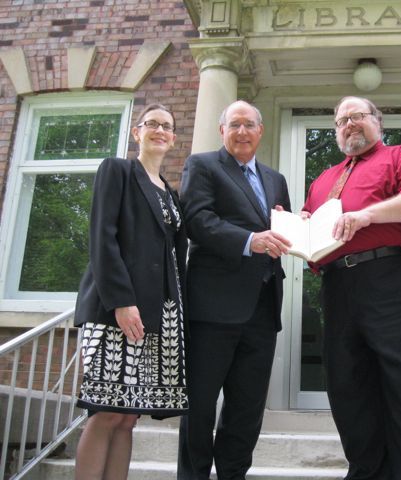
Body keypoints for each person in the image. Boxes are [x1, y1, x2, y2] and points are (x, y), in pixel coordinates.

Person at [301, 96, 401, 480]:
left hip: (389, 277)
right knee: (347, 383)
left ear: (377, 122)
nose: (350, 124)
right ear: (336, 132)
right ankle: (366, 470)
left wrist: (365, 216)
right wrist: (295, 226)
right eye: (342, 120)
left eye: (358, 116)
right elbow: (312, 234)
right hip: (338, 285)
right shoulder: (323, 181)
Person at [177, 100, 292, 480]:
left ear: (261, 131)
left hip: (262, 307)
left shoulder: (276, 179)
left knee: (246, 408)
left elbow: (281, 229)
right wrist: (249, 241)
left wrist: (298, 227)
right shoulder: (204, 165)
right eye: (234, 124)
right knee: (200, 405)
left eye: (249, 125)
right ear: (221, 130)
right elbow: (197, 219)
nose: (242, 132)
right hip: (213, 308)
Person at [74, 104, 188, 480]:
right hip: (117, 310)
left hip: (159, 316)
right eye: (152, 123)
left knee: (127, 417)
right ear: (137, 132)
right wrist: (121, 301)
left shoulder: (170, 193)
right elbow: (102, 237)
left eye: (167, 126)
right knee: (105, 410)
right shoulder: (118, 170)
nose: (160, 130)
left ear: (173, 138)